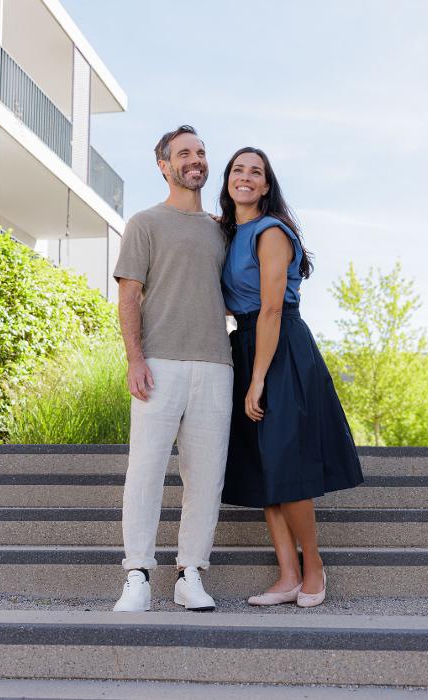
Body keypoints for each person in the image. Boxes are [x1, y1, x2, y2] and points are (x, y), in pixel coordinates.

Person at [219, 146, 364, 608]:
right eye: (238, 169)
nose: (245, 177)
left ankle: (314, 567)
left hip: (279, 347)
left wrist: (258, 377)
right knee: (267, 466)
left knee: (288, 461)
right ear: (228, 180)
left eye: (255, 172)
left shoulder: (270, 231)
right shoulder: (229, 234)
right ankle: (286, 576)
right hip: (246, 344)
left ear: (266, 186)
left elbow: (272, 307)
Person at [111, 125, 233, 613]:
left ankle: (190, 574)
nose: (196, 160)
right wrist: (134, 358)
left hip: (215, 366)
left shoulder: (225, 229)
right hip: (158, 364)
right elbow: (128, 295)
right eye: (184, 153)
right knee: (145, 471)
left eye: (201, 152)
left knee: (205, 477)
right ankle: (137, 574)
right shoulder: (145, 223)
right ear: (164, 165)